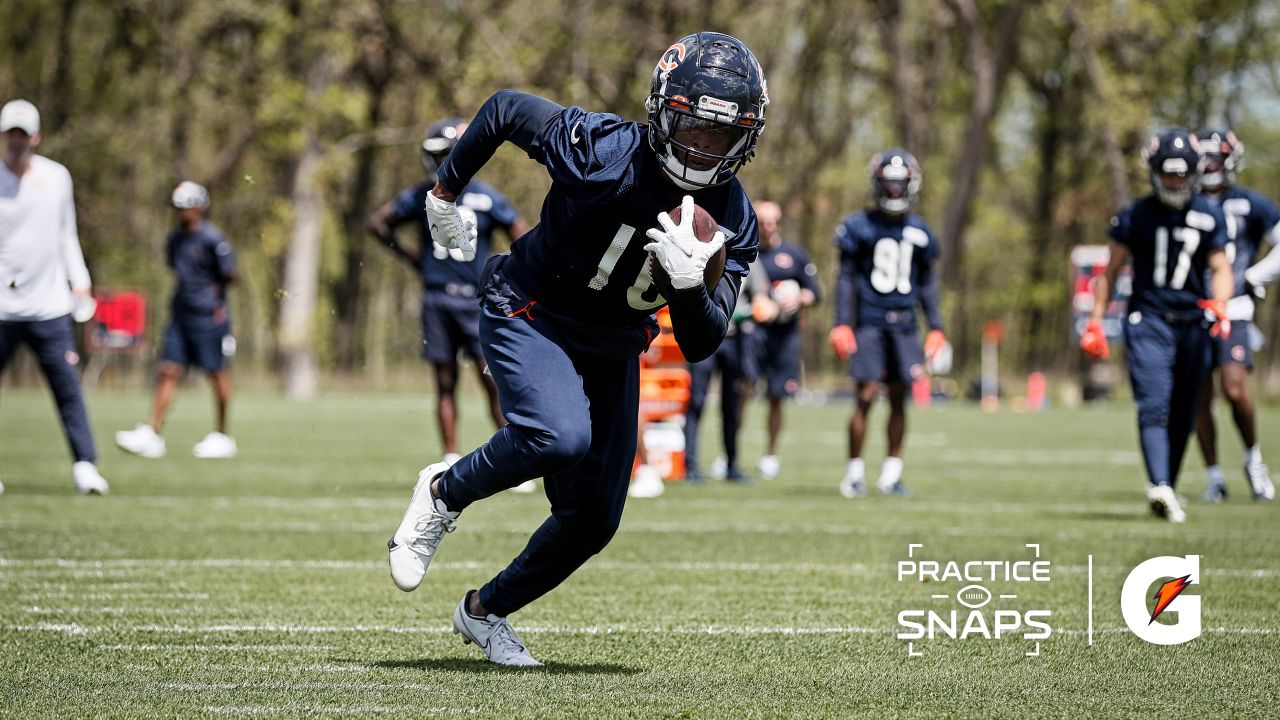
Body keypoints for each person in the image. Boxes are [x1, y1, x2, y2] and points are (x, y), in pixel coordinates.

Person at [385, 31, 767, 666]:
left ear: (746, 139)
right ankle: (444, 492)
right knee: (557, 436)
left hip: (613, 345)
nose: (701, 148)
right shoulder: (604, 149)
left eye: (719, 136)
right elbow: (506, 107)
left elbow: (702, 342)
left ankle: (485, 613)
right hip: (534, 309)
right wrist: (444, 192)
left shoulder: (733, 219)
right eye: (691, 127)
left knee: (594, 520)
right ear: (662, 111)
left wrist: (689, 285)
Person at [1081, 129, 1234, 523]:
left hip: (1194, 323)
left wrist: (1220, 304)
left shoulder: (1210, 214)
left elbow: (1220, 268)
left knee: (1186, 410)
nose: (1175, 182)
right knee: (1154, 401)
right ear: (1154, 173)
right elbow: (1111, 271)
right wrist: (1096, 320)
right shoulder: (1135, 215)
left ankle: (1166, 484)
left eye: (1182, 174)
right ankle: (1160, 485)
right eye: (1168, 174)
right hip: (1148, 319)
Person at [368, 118, 528, 469]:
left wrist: (508, 272)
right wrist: (413, 258)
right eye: (437, 155)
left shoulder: (486, 197)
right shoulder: (422, 195)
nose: (440, 162)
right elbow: (378, 222)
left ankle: (514, 457)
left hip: (475, 301)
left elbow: (523, 235)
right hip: (437, 296)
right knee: (444, 382)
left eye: (445, 155)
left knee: (492, 381)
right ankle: (450, 456)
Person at [0, 98, 109, 494]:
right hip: (2, 309)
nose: (16, 142)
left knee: (67, 388)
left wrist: (79, 280)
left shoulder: (57, 177)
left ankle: (85, 466)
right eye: (10, 135)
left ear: (36, 137)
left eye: (23, 135)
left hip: (49, 307)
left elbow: (66, 234)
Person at [830, 149, 945, 498]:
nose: (894, 191)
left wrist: (936, 326)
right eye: (889, 185)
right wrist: (842, 323)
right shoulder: (859, 226)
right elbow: (846, 278)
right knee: (865, 395)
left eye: (899, 185)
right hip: (869, 321)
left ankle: (891, 475)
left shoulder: (921, 231)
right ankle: (853, 473)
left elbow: (927, 283)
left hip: (905, 324)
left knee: (900, 397)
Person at [115, 182, 238, 459]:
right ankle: (152, 432)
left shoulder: (213, 239)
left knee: (216, 373)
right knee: (168, 370)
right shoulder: (175, 240)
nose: (182, 213)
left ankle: (222, 434)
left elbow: (230, 274)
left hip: (209, 316)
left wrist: (208, 293)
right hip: (180, 314)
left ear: (199, 207)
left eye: (186, 207)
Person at [1192, 128, 1277, 502]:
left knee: (1234, 387)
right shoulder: (1186, 204)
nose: (1210, 166)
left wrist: (1256, 275)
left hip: (1234, 310)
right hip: (1193, 312)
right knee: (1198, 397)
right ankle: (1214, 477)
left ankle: (1253, 460)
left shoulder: (1250, 204)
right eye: (1205, 159)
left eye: (1216, 158)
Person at [750, 199, 820, 480]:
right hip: (753, 335)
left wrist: (799, 298)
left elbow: (815, 292)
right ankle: (729, 455)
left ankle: (769, 455)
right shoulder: (747, 253)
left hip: (785, 337)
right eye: (762, 222)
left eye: (772, 222)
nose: (767, 228)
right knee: (740, 392)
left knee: (777, 397)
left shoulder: (795, 255)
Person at [683, 256, 767, 484]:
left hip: (734, 340)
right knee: (696, 402)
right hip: (702, 334)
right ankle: (690, 465)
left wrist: (756, 310)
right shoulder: (699, 247)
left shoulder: (747, 252)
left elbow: (762, 296)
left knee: (731, 404)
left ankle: (732, 464)